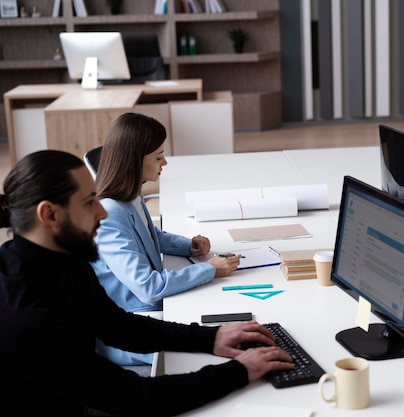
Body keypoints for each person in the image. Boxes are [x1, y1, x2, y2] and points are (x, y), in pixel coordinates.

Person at [0, 150, 293, 416]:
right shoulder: (27, 317)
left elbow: (118, 325)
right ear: (49, 214)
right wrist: (240, 371)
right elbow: (138, 397)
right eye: (90, 202)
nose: (102, 212)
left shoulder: (64, 256)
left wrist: (210, 338)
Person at [91, 112, 241, 366]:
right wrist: (208, 270)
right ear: (134, 161)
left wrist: (188, 246)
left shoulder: (129, 197)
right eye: (158, 157)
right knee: (220, 343)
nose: (165, 163)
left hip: (153, 312)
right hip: (133, 328)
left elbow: (152, 235)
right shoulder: (110, 214)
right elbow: (148, 288)